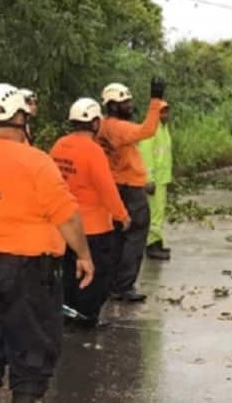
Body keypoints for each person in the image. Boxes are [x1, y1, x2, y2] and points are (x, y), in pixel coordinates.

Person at [0, 83, 94, 403]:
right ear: (18, 118)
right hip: (27, 271)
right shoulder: (35, 162)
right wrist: (84, 255)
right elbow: (67, 217)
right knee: (31, 355)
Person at [50, 98, 130, 329]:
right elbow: (107, 188)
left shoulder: (59, 146)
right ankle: (86, 318)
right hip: (93, 228)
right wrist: (122, 215)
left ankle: (67, 315)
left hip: (64, 225)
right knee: (96, 275)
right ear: (95, 123)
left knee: (68, 273)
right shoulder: (93, 151)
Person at [97, 79, 166, 303]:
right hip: (130, 188)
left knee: (117, 237)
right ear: (113, 106)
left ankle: (112, 283)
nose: (130, 105)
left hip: (115, 186)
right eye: (125, 102)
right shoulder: (119, 128)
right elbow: (148, 130)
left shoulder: (102, 126)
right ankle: (124, 285)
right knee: (135, 237)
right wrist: (155, 100)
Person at [139, 100, 173, 260]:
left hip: (162, 179)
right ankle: (151, 246)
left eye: (167, 111)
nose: (165, 115)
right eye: (162, 112)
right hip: (154, 181)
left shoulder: (164, 129)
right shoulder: (150, 130)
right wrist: (148, 180)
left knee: (159, 213)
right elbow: (145, 156)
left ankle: (157, 243)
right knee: (154, 214)